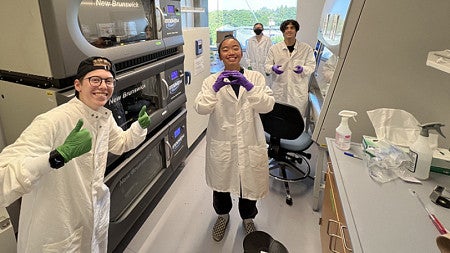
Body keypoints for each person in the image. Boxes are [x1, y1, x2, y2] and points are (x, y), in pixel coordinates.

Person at [0, 56, 151, 253]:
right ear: (78, 85)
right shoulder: (53, 121)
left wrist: (138, 127)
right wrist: (56, 157)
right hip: (58, 230)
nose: (103, 86)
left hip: (93, 217)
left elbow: (119, 144)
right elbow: (3, 178)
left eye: (108, 80)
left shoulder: (103, 115)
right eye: (95, 80)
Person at [194, 35, 275, 242]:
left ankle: (248, 219)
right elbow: (201, 108)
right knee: (221, 185)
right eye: (226, 49)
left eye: (235, 48)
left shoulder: (256, 78)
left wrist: (249, 86)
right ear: (220, 55)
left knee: (248, 183)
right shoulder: (210, 81)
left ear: (241, 52)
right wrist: (214, 89)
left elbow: (267, 106)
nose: (231, 52)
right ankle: (222, 216)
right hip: (223, 143)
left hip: (249, 142)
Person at [265, 19, 316, 116]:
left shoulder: (306, 49)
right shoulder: (274, 49)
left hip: (297, 91)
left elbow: (311, 66)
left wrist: (303, 69)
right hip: (279, 90)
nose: (289, 30)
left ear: (296, 31)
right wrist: (273, 68)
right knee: (280, 118)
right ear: (283, 31)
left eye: (292, 28)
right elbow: (267, 66)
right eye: (286, 28)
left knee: (297, 120)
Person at [245, 23, 273, 87]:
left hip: (264, 67)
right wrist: (249, 66)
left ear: (263, 29)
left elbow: (270, 55)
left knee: (265, 86)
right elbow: (247, 54)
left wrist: (268, 68)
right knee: (254, 85)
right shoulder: (250, 40)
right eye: (256, 28)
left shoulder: (267, 40)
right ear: (253, 29)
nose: (258, 29)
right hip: (254, 67)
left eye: (259, 28)